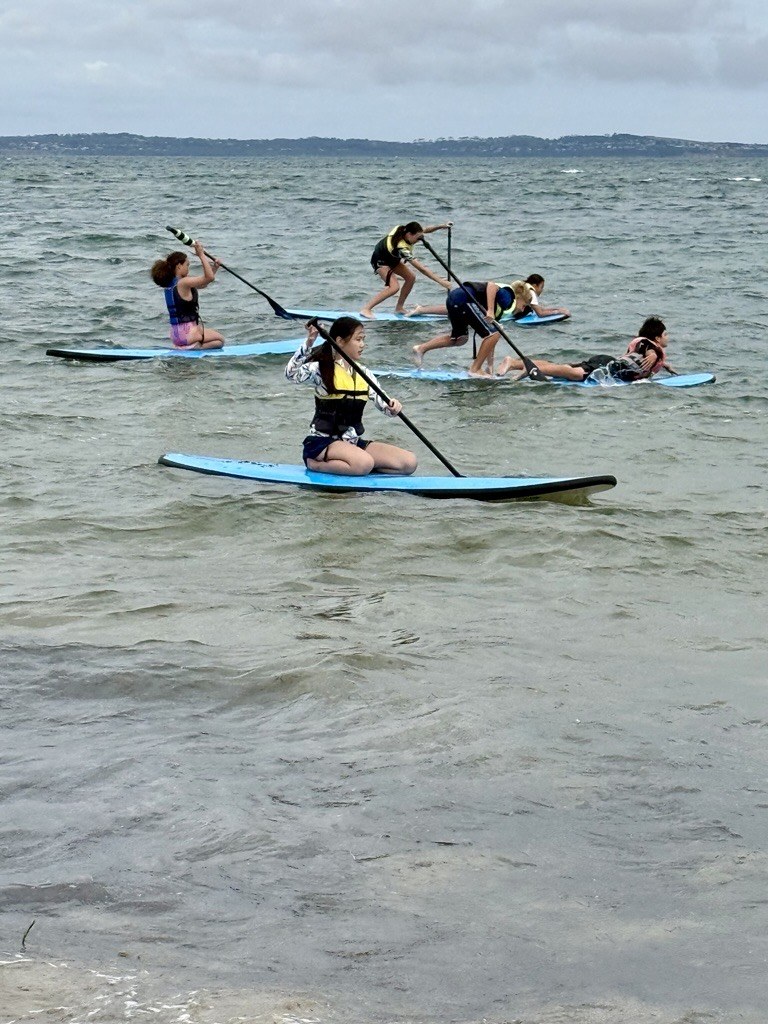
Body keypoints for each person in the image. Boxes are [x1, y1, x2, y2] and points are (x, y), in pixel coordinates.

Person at [285, 316, 417, 476]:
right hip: (322, 443)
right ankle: (317, 465)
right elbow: (291, 374)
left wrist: (393, 406)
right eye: (358, 339)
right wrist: (309, 342)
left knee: (408, 463)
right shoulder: (320, 369)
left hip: (351, 442)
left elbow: (386, 407)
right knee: (364, 463)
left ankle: (356, 466)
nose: (362, 345)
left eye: (363, 339)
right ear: (340, 341)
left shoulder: (365, 373)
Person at [491, 316, 675, 381]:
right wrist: (654, 354)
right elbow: (645, 347)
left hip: (607, 363)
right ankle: (531, 369)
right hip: (606, 367)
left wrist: (664, 365)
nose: (668, 337)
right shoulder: (648, 345)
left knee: (563, 367)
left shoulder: (651, 351)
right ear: (657, 338)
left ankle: (514, 363)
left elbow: (639, 356)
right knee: (575, 373)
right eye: (665, 334)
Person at [414, 281, 534, 368]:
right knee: (495, 333)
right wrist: (490, 310)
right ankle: (475, 369)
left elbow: (490, 342)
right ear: (519, 297)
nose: (523, 310)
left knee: (460, 339)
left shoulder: (502, 309)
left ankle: (421, 348)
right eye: (524, 305)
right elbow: (491, 286)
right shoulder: (509, 297)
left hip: (455, 300)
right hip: (463, 300)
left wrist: (490, 366)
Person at [360, 221, 452, 318]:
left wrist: (441, 226)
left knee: (411, 277)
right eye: (418, 238)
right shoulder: (402, 248)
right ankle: (366, 309)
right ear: (409, 234)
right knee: (394, 287)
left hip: (392, 259)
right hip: (380, 261)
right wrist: (441, 281)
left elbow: (426, 230)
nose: (419, 240)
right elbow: (422, 269)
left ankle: (399, 308)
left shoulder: (404, 230)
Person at [150, 241, 224, 349]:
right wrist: (201, 254)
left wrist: (215, 268)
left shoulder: (171, 284)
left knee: (216, 341)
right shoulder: (183, 283)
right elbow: (209, 278)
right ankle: (192, 347)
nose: (188, 268)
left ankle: (188, 346)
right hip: (188, 334)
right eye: (187, 265)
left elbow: (203, 284)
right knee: (220, 340)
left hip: (176, 335)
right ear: (179, 266)